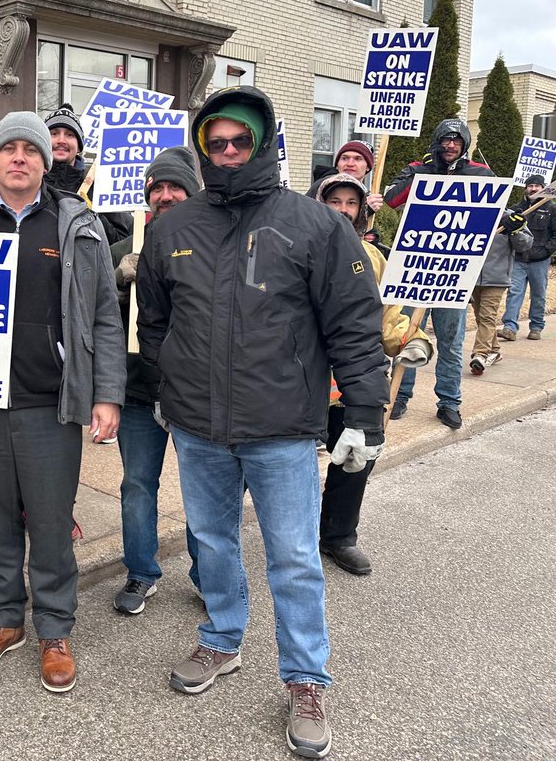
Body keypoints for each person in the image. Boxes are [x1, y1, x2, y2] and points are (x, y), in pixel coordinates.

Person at [137, 86, 389, 758]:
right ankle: (223, 640)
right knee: (213, 543)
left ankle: (306, 678)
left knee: (296, 558)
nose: (225, 153)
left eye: (238, 142)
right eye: (214, 143)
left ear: (264, 144)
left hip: (281, 427)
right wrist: (169, 386)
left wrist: (364, 411)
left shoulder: (316, 226)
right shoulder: (171, 229)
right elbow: (155, 322)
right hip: (198, 430)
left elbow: (355, 327)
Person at [0, 112, 126, 694]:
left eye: (30, 149)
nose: (19, 158)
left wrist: (108, 394)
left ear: (47, 161)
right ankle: (4, 619)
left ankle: (54, 628)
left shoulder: (78, 226)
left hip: (51, 402)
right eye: (8, 149)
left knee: (48, 523)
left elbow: (103, 316)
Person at [313, 172, 433, 577]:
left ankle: (338, 536)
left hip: (350, 386)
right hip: (295, 385)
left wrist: (410, 340)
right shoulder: (294, 248)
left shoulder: (375, 259)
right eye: (335, 202)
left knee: (356, 460)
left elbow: (386, 317)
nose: (344, 211)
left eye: (351, 203)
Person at [109, 146, 201, 612]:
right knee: (137, 485)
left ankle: (208, 574)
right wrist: (115, 275)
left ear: (192, 190)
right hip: (138, 392)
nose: (165, 195)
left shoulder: (212, 242)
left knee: (202, 490)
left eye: (175, 186)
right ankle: (141, 572)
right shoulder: (125, 247)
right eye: (156, 188)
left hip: (195, 394)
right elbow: (92, 307)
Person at [384, 119, 492, 428]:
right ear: (437, 141)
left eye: (457, 140)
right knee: (407, 335)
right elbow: (391, 199)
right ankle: (400, 395)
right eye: (445, 139)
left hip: (453, 273)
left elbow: (495, 212)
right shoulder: (418, 167)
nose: (450, 145)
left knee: (451, 342)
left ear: (465, 143)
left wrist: (510, 221)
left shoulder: (480, 174)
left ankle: (449, 401)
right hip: (415, 269)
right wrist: (423, 174)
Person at [44, 103, 132, 243]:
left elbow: (120, 240)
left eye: (70, 135)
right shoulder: (31, 184)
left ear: (79, 146)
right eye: (54, 134)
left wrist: (91, 214)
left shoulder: (100, 187)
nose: (61, 140)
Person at [469, 209, 531, 373]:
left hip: (496, 277)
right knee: (479, 316)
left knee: (487, 316)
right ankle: (494, 350)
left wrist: (515, 231)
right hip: (471, 276)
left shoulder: (509, 216)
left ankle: (480, 354)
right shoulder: (470, 212)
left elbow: (525, 244)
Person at [501, 175, 556, 342]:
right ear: (525, 188)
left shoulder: (551, 209)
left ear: (543, 188)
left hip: (540, 260)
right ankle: (509, 327)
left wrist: (546, 251)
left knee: (538, 294)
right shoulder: (517, 208)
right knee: (514, 292)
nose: (533, 189)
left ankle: (536, 327)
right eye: (530, 185)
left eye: (537, 186)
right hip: (518, 259)